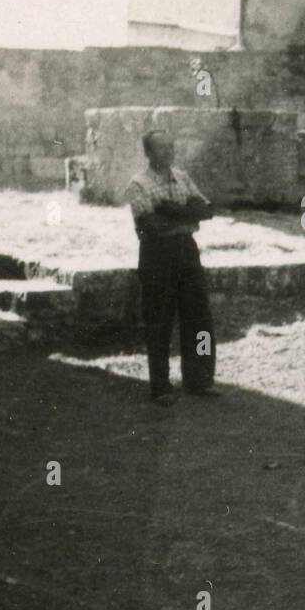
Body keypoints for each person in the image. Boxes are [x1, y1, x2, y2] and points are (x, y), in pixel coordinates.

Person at [125, 129, 218, 404]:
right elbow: (150, 226)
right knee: (159, 320)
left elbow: (207, 210)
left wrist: (169, 210)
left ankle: (199, 380)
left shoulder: (182, 177)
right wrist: (187, 214)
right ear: (148, 153)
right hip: (157, 256)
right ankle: (161, 387)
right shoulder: (138, 185)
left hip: (187, 252)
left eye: (171, 146)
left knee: (199, 318)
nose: (169, 152)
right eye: (162, 148)